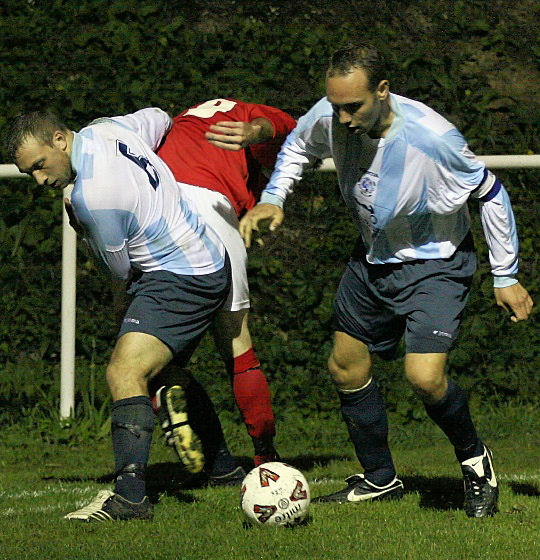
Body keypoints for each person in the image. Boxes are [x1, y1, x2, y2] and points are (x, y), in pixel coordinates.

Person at [239, 43, 534, 518]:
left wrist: (505, 275)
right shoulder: (332, 113)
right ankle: (380, 479)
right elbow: (297, 144)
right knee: (346, 366)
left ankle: (476, 462)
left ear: (382, 90)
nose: (343, 118)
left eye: (353, 107)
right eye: (336, 107)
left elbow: (491, 193)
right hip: (372, 260)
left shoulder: (433, 138)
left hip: (434, 263)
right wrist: (275, 197)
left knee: (424, 377)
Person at [6, 108, 239, 521]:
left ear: (60, 139)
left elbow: (119, 274)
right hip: (205, 253)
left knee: (124, 371)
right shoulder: (108, 128)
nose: (41, 180)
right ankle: (222, 468)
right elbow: (161, 118)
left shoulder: (92, 198)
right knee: (162, 370)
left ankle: (131, 497)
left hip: (181, 275)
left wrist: (123, 320)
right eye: (30, 174)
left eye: (40, 166)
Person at [154, 99, 296, 475]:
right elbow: (281, 126)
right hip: (210, 206)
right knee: (236, 342)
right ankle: (266, 457)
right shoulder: (247, 115)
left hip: (155, 209)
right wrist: (256, 131)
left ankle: (165, 390)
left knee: (150, 342)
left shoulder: (176, 124)